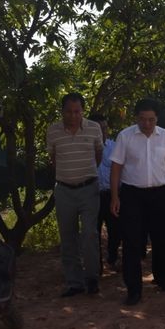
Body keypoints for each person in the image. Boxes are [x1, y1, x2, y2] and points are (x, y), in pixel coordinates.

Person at [110, 99, 165, 306]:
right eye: (142, 119)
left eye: (151, 119)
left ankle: (163, 278)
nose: (147, 124)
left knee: (162, 239)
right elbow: (116, 168)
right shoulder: (125, 136)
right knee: (132, 242)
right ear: (136, 118)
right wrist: (115, 197)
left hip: (159, 194)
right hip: (132, 195)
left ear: (157, 118)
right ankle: (133, 289)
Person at [47, 93, 104, 297]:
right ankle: (74, 283)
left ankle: (92, 278)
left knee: (89, 234)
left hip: (89, 189)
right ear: (62, 111)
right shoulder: (53, 130)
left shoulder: (94, 128)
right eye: (69, 112)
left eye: (77, 111)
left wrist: (84, 174)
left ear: (83, 111)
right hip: (64, 191)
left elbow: (98, 155)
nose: (73, 116)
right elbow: (53, 158)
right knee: (68, 237)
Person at [89, 113, 121, 272]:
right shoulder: (84, 149)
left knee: (115, 230)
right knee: (92, 232)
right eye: (99, 128)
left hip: (111, 195)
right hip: (91, 196)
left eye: (105, 128)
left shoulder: (115, 147)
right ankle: (96, 265)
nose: (103, 131)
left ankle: (113, 258)